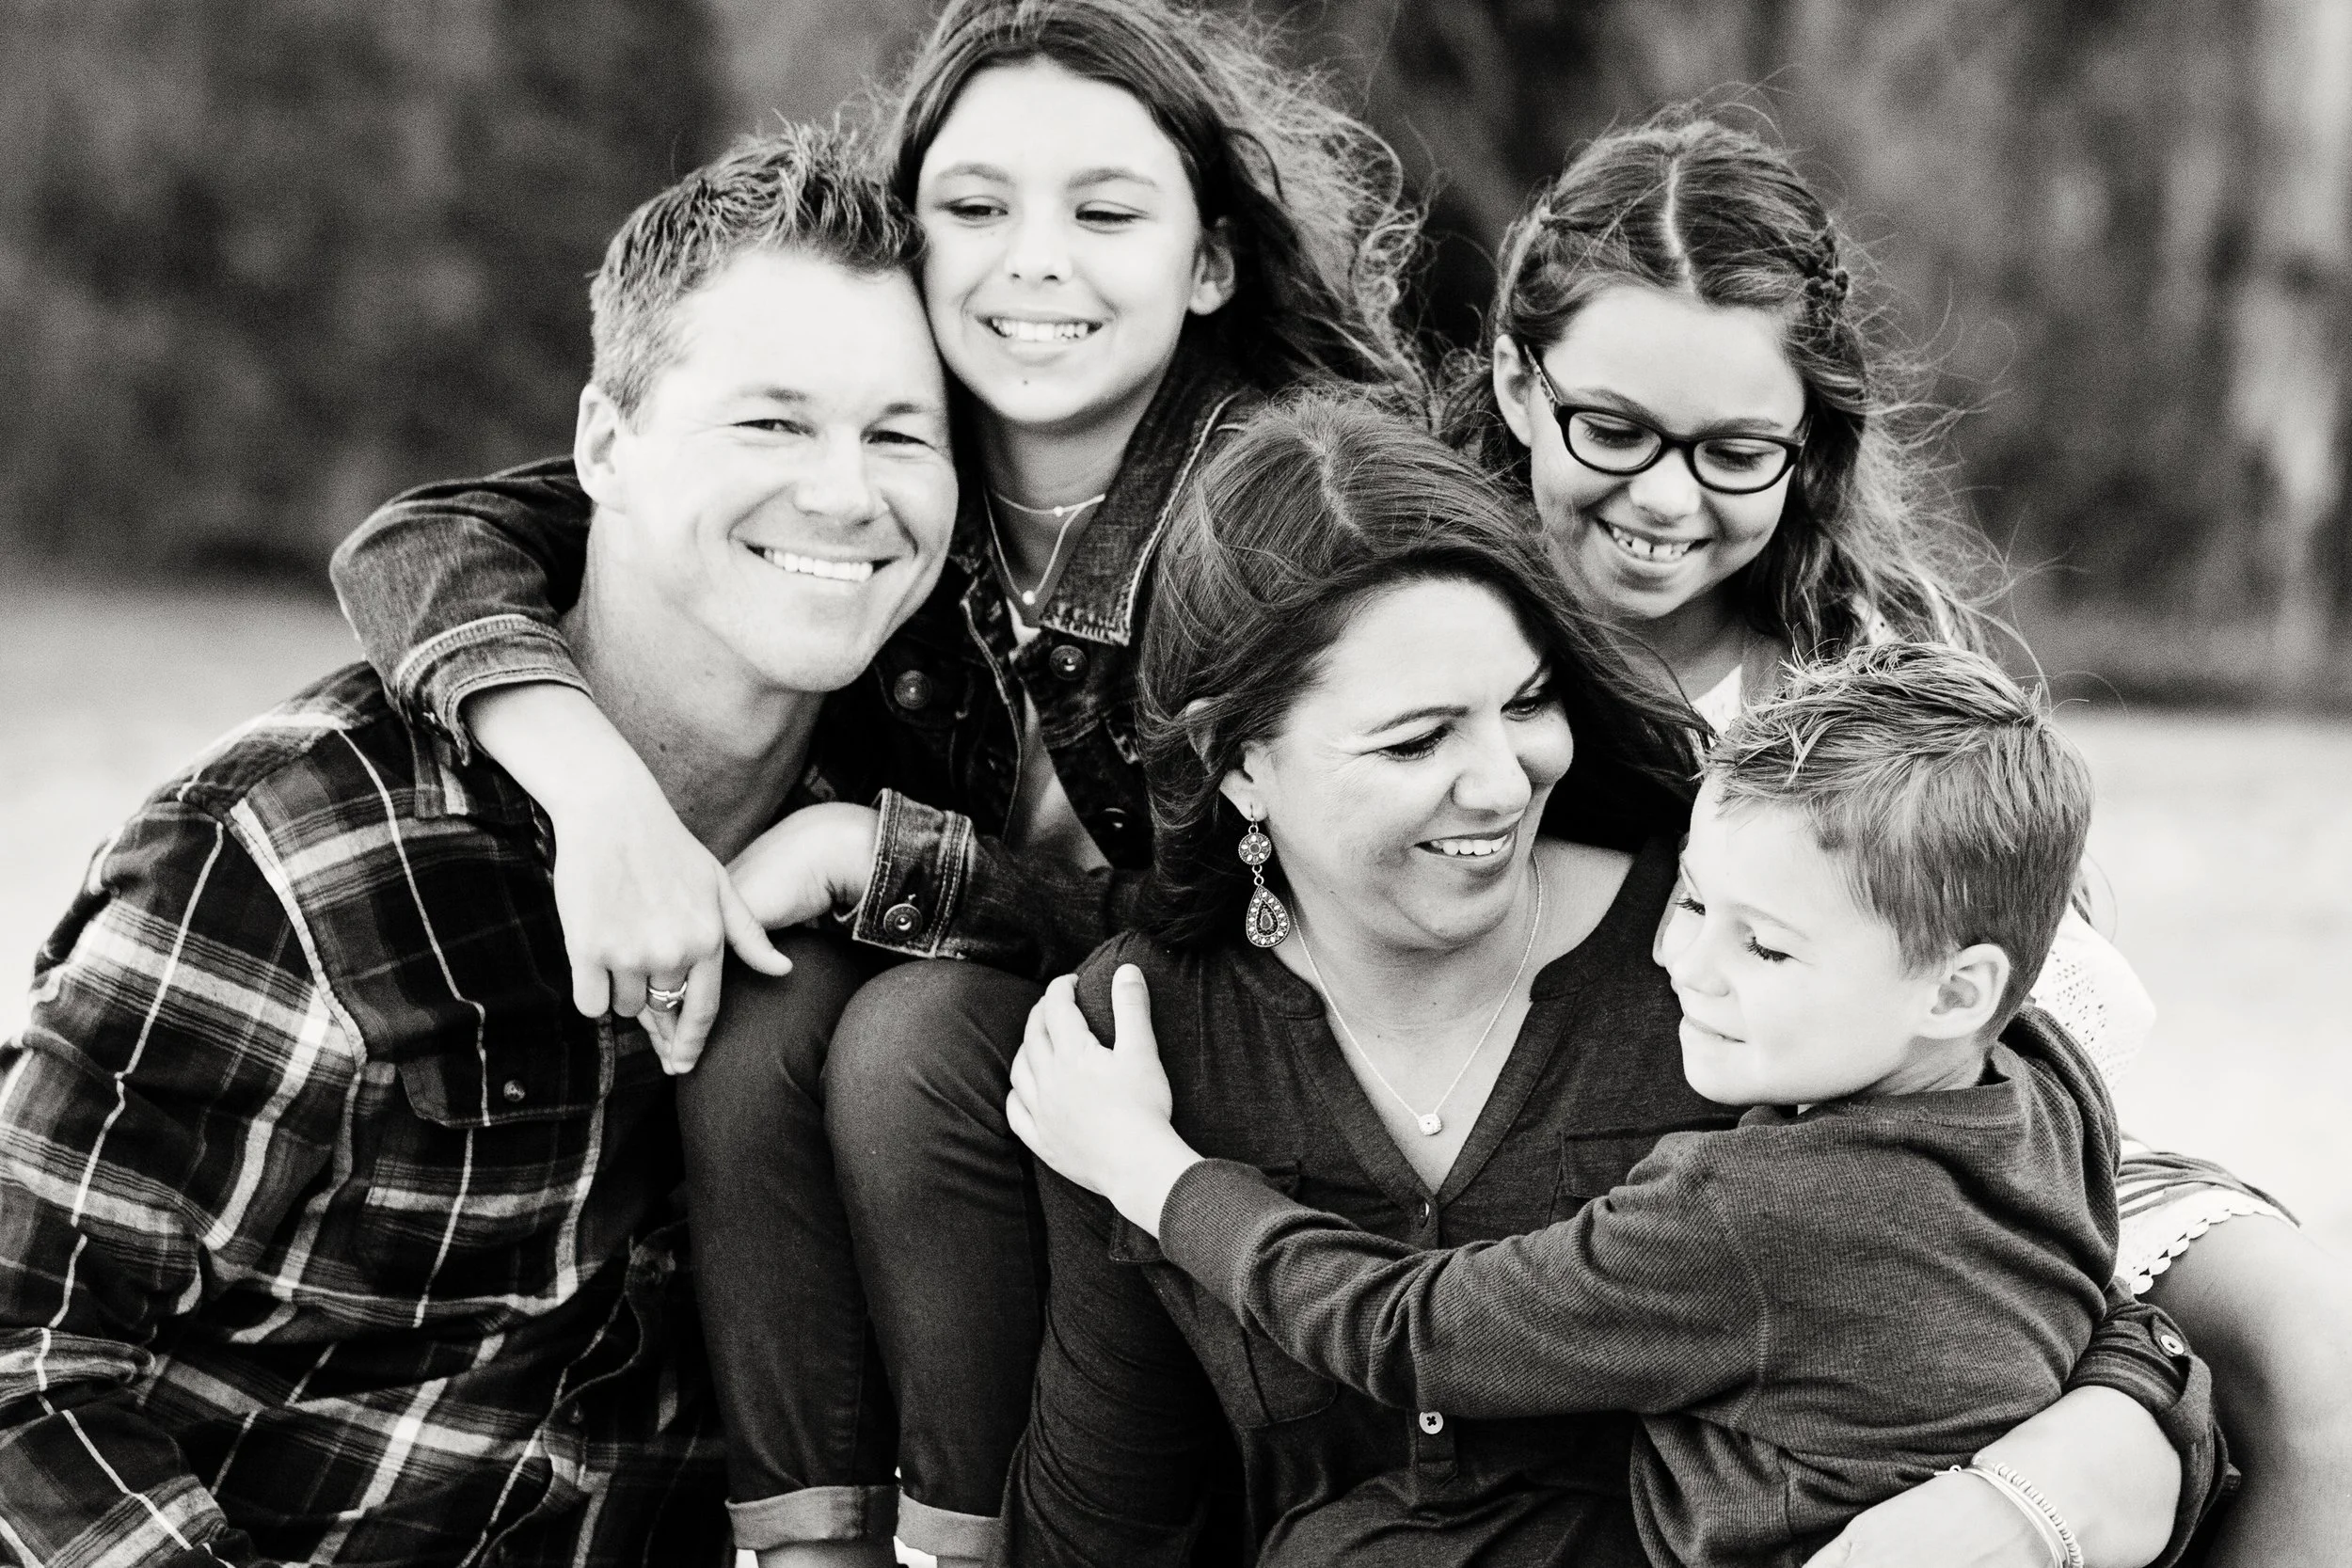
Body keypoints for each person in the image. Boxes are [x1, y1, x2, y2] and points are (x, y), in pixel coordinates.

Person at [324, 3, 1422, 1560]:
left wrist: (886, 854)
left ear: (1210, 262)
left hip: (1219, 1058)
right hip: (968, 1042)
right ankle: (808, 1540)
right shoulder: (889, 464)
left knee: (910, 1036)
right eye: (974, 207)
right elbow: (425, 540)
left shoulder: (1286, 509)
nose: (1034, 260)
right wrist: (601, 794)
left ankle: (961, 1543)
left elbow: (1263, 917)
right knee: (763, 1020)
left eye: (1105, 214)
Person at [995, 391, 2219, 1568]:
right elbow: (1109, 1504)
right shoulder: (1143, 1040)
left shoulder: (1765, 976)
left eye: (1529, 702)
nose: (1499, 782)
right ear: (1238, 760)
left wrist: (2046, 1495)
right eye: (1416, 739)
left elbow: (2061, 1308)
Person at [0, 128, 957, 1565]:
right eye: (771, 423)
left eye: (900, 434)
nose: (846, 492)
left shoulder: (894, 843)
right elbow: (24, 1363)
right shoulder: (291, 854)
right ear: (603, 447)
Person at [1450, 111, 2350, 1561]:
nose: (1666, 498)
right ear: (1513, 377)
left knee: (2312, 1350)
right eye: (1611, 429)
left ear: (1809, 441)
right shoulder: (1441, 630)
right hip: (1720, 1198)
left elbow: (2056, 1008)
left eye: (1736, 450)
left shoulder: (1859, 654)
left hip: (1963, 1157)